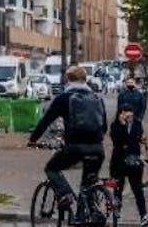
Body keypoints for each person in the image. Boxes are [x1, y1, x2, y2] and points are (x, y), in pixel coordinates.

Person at [28, 64, 107, 212]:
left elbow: (46, 121)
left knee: (51, 168)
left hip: (75, 147)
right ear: (85, 80)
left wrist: (33, 140)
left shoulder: (64, 98)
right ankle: (92, 214)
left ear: (68, 80)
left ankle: (65, 194)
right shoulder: (97, 97)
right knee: (89, 183)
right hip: (97, 148)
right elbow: (104, 127)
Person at [109, 103, 148, 226]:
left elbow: (138, 137)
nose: (129, 115)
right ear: (121, 113)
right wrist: (123, 125)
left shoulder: (137, 123)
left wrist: (144, 139)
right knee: (118, 190)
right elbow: (117, 140)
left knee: (138, 189)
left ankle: (143, 216)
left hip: (134, 162)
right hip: (119, 162)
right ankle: (116, 216)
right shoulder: (115, 125)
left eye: (130, 112)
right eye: (126, 112)